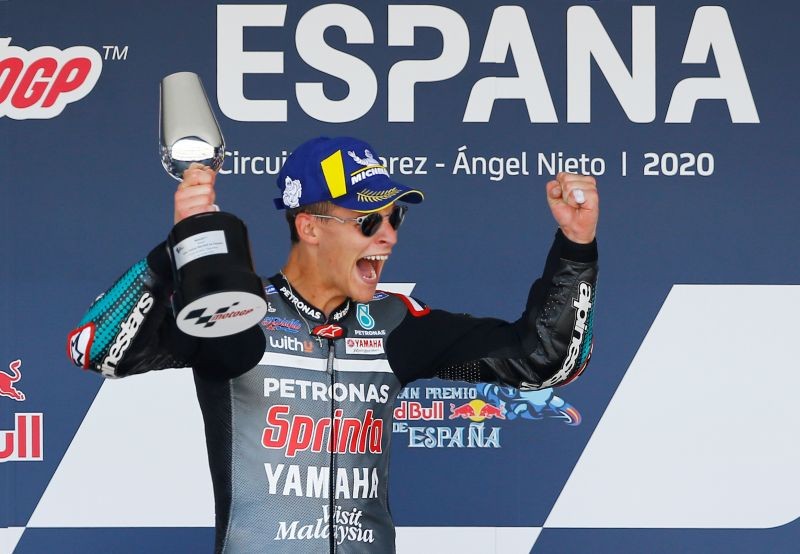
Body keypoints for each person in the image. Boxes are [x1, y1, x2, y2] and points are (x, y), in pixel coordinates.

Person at [67, 136, 599, 553]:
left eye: (396, 217)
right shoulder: (237, 311)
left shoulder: (396, 322)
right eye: (369, 220)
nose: (388, 235)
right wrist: (174, 249)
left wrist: (576, 246)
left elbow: (543, 362)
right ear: (310, 227)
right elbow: (95, 347)